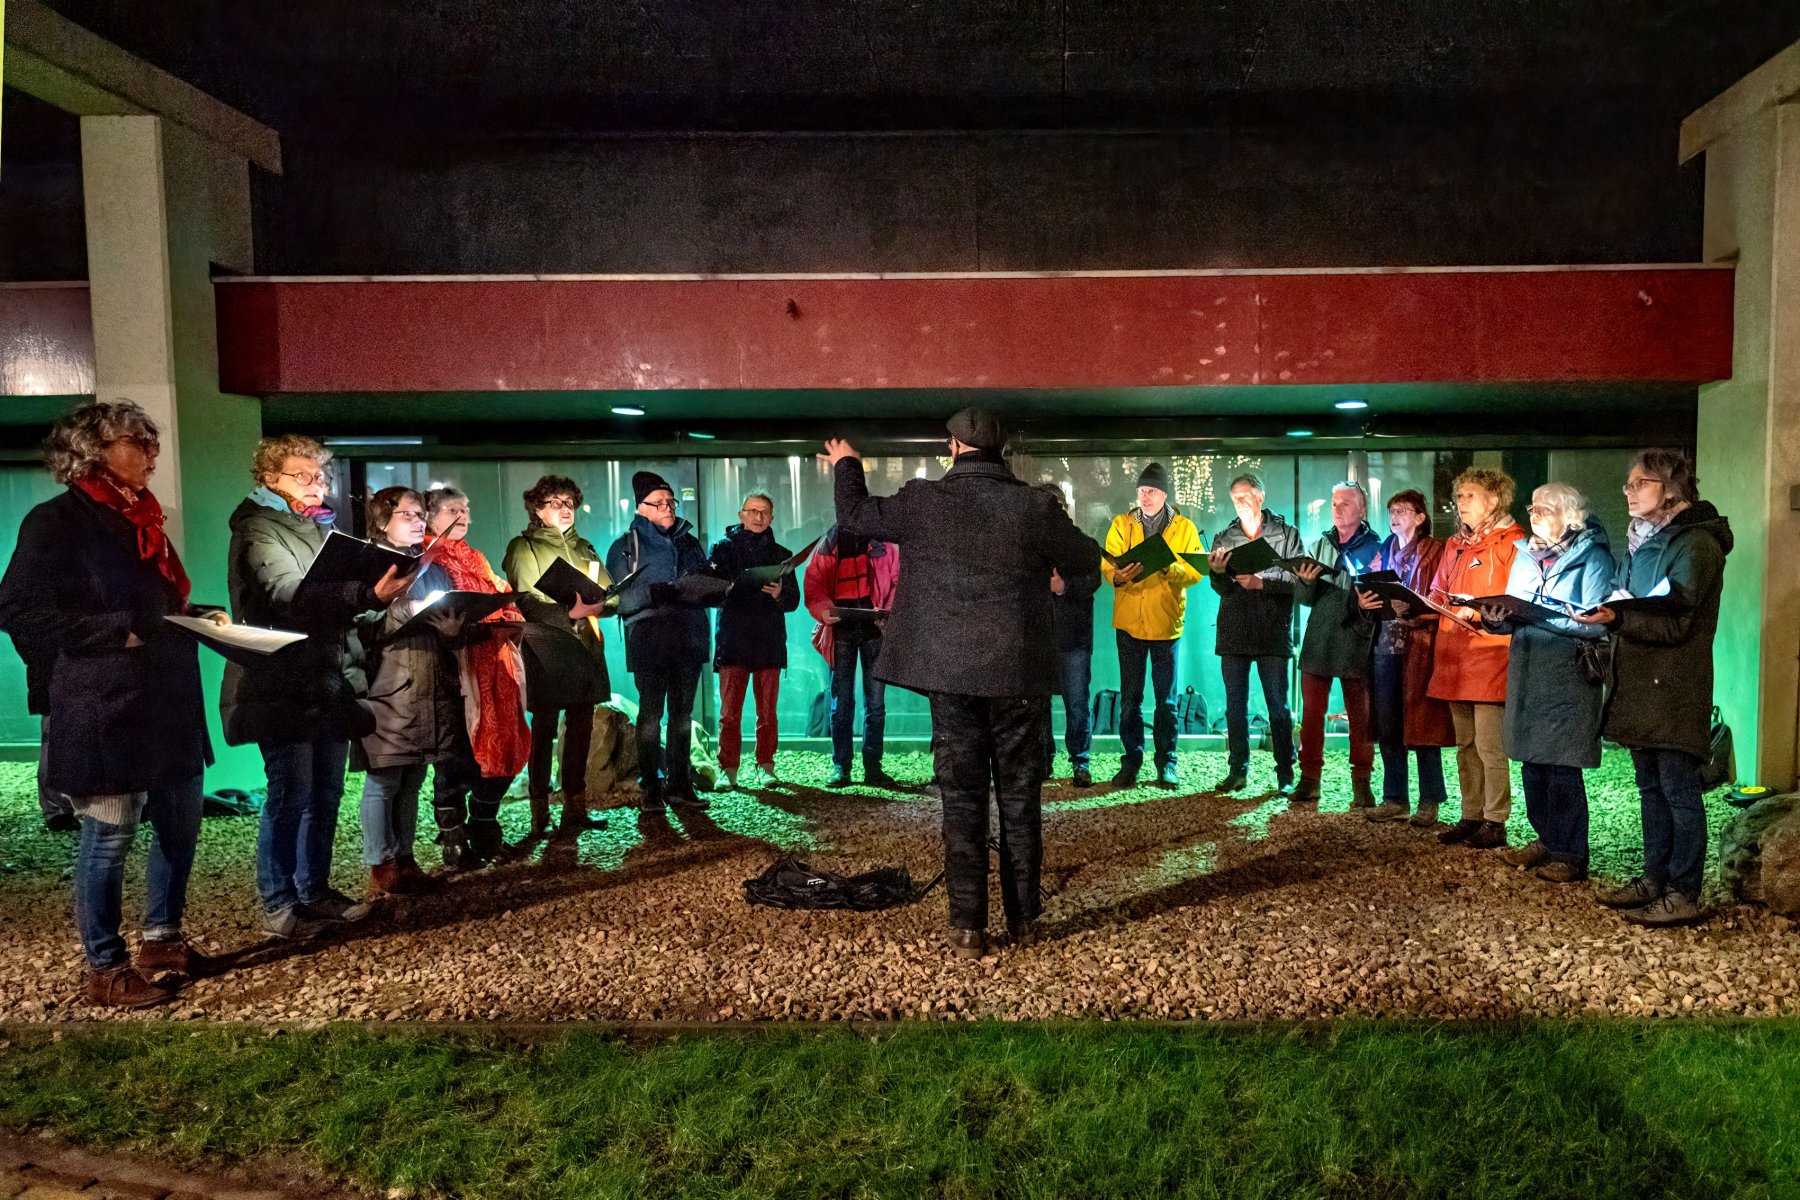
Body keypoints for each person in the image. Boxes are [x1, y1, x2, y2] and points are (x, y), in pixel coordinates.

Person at [824, 408, 1101, 959]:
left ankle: (968, 928)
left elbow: (855, 514)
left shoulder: (925, 501)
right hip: (1017, 677)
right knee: (1021, 800)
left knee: (962, 801)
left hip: (950, 678)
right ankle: (1025, 922)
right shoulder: (1034, 506)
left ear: (953, 446)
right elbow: (1087, 556)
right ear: (1002, 450)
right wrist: (1052, 573)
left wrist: (848, 462)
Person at [0, 401, 221, 1007]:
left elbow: (150, 604)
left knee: (181, 819)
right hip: (108, 702)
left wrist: (193, 615)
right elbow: (18, 609)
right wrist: (115, 631)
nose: (151, 452)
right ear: (93, 449)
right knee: (111, 834)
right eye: (137, 441)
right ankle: (105, 966)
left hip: (167, 699)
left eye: (153, 441)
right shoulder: (58, 521)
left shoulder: (140, 520)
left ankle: (163, 938)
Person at [222, 433, 408, 938]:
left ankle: (315, 891)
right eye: (301, 475)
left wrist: (374, 599)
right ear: (269, 479)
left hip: (328, 678)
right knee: (290, 793)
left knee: (325, 792)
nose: (316, 484)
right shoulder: (259, 529)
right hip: (280, 680)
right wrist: (363, 590)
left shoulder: (317, 529)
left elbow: (337, 603)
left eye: (320, 476)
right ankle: (280, 904)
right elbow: (285, 594)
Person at [1579, 450, 1732, 927]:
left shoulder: (1696, 543)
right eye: (1627, 484)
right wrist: (1611, 612)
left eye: (1638, 483)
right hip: (1641, 682)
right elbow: (1632, 602)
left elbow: (1680, 621)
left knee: (1679, 791)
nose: (1628, 491)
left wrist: (1620, 616)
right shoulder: (1642, 541)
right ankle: (1654, 877)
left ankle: (1684, 891)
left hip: (1673, 685)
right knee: (1649, 787)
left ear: (1670, 488)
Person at [1475, 484, 1613, 884]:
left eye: (1545, 508)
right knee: (1532, 763)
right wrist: (1496, 618)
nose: (1534, 514)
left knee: (1562, 767)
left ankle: (1571, 852)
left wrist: (1536, 616)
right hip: (1529, 672)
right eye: (1532, 507)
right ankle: (1547, 839)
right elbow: (1515, 611)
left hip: (1568, 678)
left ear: (1571, 515)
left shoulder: (1594, 559)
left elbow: (1593, 620)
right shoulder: (1526, 556)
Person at [356, 488, 469, 870]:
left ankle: (405, 859)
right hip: (389, 685)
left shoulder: (432, 565)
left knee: (414, 778)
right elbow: (361, 625)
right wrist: (407, 611)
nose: (418, 521)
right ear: (382, 519)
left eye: (421, 514)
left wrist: (453, 630)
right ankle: (380, 865)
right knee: (385, 779)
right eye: (408, 514)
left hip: (430, 682)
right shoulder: (367, 563)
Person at [424, 487, 533, 866]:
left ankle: (486, 828)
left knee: (503, 747)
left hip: (495, 667)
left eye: (466, 508)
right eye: (452, 509)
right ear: (431, 517)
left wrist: (511, 615)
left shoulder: (477, 557)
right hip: (454, 671)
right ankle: (453, 841)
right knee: (456, 756)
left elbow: (501, 595)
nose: (463, 515)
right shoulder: (427, 560)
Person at [502, 475, 610, 836]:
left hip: (586, 644)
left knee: (581, 727)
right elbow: (526, 599)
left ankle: (575, 810)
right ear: (536, 508)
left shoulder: (586, 548)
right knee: (545, 727)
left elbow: (610, 592)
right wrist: (571, 613)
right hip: (546, 645)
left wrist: (603, 603)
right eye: (556, 502)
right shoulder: (523, 546)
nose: (566, 509)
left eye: (570, 502)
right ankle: (540, 813)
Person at [605, 472, 719, 811]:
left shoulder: (688, 541)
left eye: (671, 501)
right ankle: (651, 788)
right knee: (651, 716)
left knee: (682, 715)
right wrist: (651, 593)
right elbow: (614, 597)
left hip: (688, 637)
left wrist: (714, 590)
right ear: (642, 508)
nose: (668, 507)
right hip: (649, 640)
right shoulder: (626, 545)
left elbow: (705, 580)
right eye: (660, 503)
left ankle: (680, 784)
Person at [1427, 467, 1520, 850]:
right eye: (1459, 496)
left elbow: (1516, 600)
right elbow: (1438, 591)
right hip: (1454, 654)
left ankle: (1495, 819)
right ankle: (1471, 814)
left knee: (1489, 744)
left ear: (1495, 499)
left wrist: (1479, 614)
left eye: (1470, 495)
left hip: (1489, 653)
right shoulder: (1455, 544)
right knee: (1465, 742)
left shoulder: (1512, 543)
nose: (1461, 503)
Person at [1101, 462, 1205, 788]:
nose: (1145, 497)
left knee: (1167, 701)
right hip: (1130, 625)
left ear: (1164, 494)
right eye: (1141, 491)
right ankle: (1131, 762)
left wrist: (1168, 569)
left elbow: (1196, 570)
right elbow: (1108, 563)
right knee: (1130, 699)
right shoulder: (1122, 524)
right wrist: (1117, 575)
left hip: (1165, 626)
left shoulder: (1184, 527)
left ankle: (1166, 764)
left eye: (1151, 491)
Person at [1357, 489, 1453, 825]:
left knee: (1423, 725)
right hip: (1385, 645)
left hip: (1419, 647)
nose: (1395, 516)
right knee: (1388, 725)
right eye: (1391, 510)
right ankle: (1395, 798)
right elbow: (1369, 584)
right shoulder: (1385, 548)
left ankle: (1430, 800)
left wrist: (1411, 605)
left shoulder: (1434, 551)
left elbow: (1441, 597)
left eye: (1402, 510)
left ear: (1421, 516)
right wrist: (1367, 601)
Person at [1206, 473, 1301, 795]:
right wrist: (1218, 574)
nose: (1240, 501)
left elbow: (1301, 584)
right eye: (1235, 497)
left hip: (1272, 631)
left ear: (1261, 496)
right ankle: (1238, 770)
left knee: (1278, 705)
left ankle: (1285, 774)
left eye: (1245, 495)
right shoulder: (1224, 535)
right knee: (1235, 705)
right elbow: (1219, 588)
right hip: (1234, 630)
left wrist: (1263, 583)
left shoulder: (1286, 534)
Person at [1291, 482, 1381, 807]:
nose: (1338, 508)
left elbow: (1380, 600)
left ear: (1362, 509)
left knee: (1360, 716)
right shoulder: (1320, 545)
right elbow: (1304, 600)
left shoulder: (1377, 548)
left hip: (1357, 638)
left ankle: (1362, 782)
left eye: (1345, 503)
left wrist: (1362, 608)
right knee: (1313, 714)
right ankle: (1309, 779)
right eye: (1334, 503)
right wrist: (1304, 581)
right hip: (1319, 638)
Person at [709, 492, 801, 788]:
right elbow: (710, 590)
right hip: (733, 641)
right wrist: (729, 587)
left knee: (767, 713)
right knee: (729, 713)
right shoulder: (722, 550)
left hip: (768, 643)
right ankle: (728, 767)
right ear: (741, 515)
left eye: (764, 512)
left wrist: (779, 594)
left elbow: (794, 600)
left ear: (772, 518)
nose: (759, 517)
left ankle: (766, 764)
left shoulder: (782, 555)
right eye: (753, 511)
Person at [804, 520, 901, 789]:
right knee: (844, 702)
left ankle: (867, 768)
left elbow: (896, 581)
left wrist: (886, 613)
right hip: (843, 630)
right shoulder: (834, 542)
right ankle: (844, 766)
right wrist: (824, 611)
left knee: (873, 703)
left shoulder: (872, 542)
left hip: (872, 630)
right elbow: (815, 584)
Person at [1036, 484, 1101, 788]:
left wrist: (1062, 588)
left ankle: (1080, 761)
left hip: (1072, 638)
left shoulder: (1082, 545)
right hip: (1042, 638)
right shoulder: (1033, 547)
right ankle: (1045, 759)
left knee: (1076, 702)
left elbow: (1092, 582)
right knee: (1039, 703)